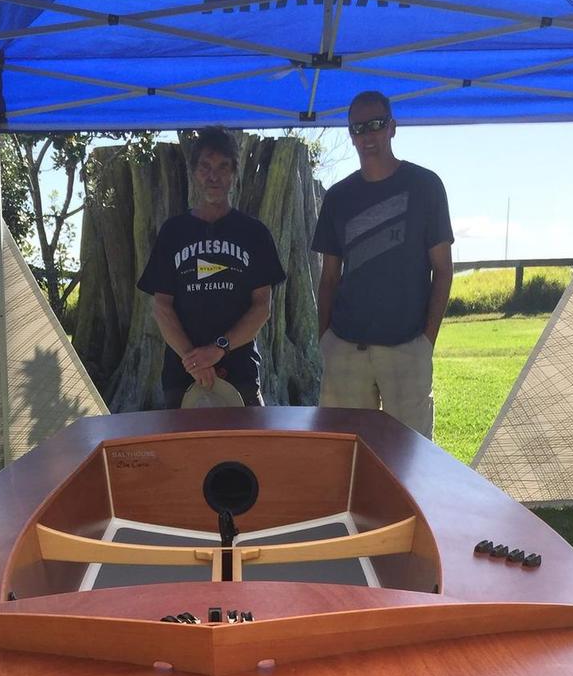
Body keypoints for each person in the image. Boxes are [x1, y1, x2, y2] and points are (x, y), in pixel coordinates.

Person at [311, 91, 454, 439]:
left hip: (406, 347)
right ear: (350, 134)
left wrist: (425, 341)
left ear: (392, 127)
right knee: (343, 453)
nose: (367, 135)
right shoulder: (338, 197)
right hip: (345, 348)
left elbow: (444, 270)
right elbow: (329, 277)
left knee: (410, 460)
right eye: (358, 128)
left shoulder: (426, 186)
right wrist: (325, 340)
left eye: (376, 124)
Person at [138, 128, 286, 408]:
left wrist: (217, 350)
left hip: (240, 374)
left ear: (234, 173)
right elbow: (161, 307)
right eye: (205, 167)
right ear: (194, 172)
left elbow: (262, 307)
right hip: (182, 377)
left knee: (248, 452)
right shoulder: (173, 233)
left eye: (222, 167)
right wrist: (194, 360)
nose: (213, 176)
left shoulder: (254, 233)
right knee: (182, 453)